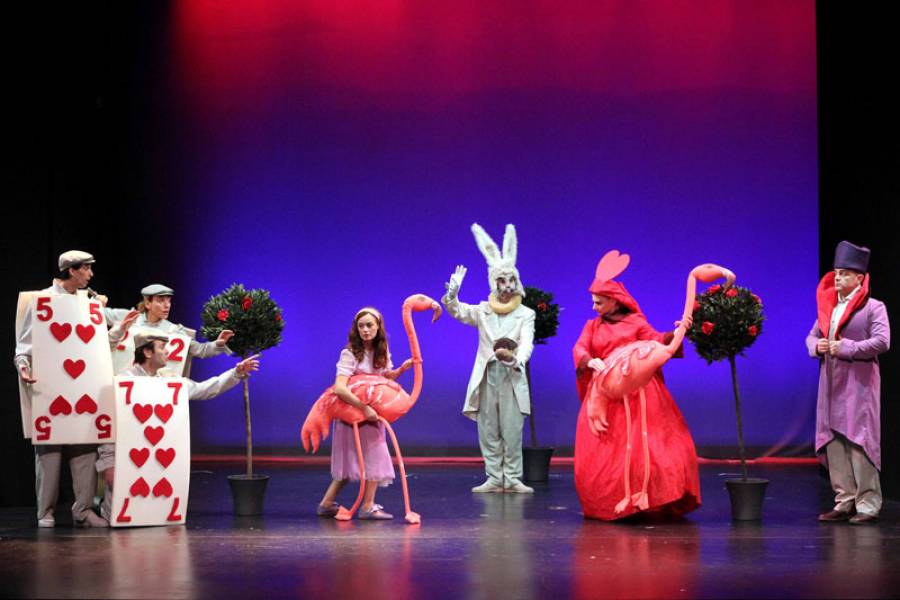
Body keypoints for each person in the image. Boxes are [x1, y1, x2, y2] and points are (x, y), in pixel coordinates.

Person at [572, 253, 700, 520]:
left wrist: (677, 334)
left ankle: (648, 500)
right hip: (606, 393)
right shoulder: (592, 326)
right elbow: (580, 347)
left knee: (650, 445)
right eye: (593, 302)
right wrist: (589, 360)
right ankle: (612, 501)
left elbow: (656, 340)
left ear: (614, 300)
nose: (594, 307)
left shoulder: (636, 323)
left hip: (640, 393)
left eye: (598, 302)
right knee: (606, 450)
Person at [95, 331, 260, 521]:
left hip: (156, 459)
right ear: (147, 352)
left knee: (152, 513)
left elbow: (205, 389)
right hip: (127, 459)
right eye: (162, 347)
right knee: (119, 511)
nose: (168, 352)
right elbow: (110, 423)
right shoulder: (124, 382)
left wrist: (235, 373)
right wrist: (108, 463)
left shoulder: (168, 381)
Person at [14, 250, 117, 527]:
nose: (91, 274)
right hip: (50, 388)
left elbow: (99, 344)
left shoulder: (89, 303)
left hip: (83, 388)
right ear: (72, 270)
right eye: (86, 269)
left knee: (85, 450)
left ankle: (82, 511)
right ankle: (45, 512)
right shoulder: (43, 301)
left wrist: (105, 316)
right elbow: (24, 346)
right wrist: (23, 366)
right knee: (49, 455)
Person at [443, 223, 536, 494]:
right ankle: (494, 477)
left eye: (510, 281)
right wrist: (452, 295)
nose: (507, 286)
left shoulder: (526, 314)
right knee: (488, 429)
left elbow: (527, 343)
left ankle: (513, 478)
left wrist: (516, 359)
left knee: (512, 429)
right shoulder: (483, 311)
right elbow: (459, 312)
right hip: (487, 376)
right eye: (501, 281)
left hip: (511, 375)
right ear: (494, 282)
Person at [806, 241, 890, 524]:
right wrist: (817, 347)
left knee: (859, 440)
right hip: (831, 382)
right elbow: (812, 337)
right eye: (837, 273)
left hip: (858, 384)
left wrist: (845, 347)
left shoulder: (873, 307)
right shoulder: (830, 307)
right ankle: (845, 500)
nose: (838, 278)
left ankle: (867, 503)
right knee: (833, 439)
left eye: (844, 273)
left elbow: (882, 342)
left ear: (859, 278)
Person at [316, 308, 413, 520]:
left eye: (369, 325)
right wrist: (363, 407)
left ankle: (328, 503)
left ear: (378, 327)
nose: (365, 330)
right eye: (361, 326)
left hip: (371, 415)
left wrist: (401, 370)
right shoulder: (350, 353)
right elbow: (340, 388)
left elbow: (383, 378)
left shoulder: (381, 352)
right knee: (354, 461)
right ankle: (365, 506)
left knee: (372, 458)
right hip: (354, 415)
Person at [106, 284, 234, 364]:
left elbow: (200, 350)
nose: (167, 305)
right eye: (161, 301)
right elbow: (99, 314)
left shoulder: (174, 330)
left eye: (169, 301)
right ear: (148, 304)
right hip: (122, 382)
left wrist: (217, 344)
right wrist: (97, 299)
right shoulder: (128, 318)